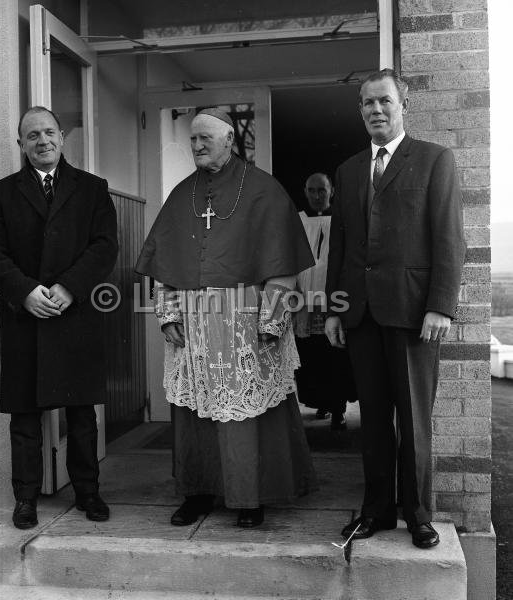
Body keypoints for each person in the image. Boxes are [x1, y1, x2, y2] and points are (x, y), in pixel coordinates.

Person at [136, 107, 316, 528]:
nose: (196, 145)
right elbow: (165, 265)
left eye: (205, 139)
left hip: (244, 324)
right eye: (193, 139)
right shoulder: (182, 194)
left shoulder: (263, 191)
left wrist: (271, 321)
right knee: (193, 411)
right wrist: (167, 314)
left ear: (229, 141)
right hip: (195, 327)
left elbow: (283, 266)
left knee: (249, 412)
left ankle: (249, 497)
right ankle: (197, 493)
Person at [325, 69, 465, 549]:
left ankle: (419, 515)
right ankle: (377, 512)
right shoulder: (346, 171)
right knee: (374, 422)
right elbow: (339, 250)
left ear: (404, 104)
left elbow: (449, 239)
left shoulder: (433, 160)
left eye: (384, 101)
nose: (375, 110)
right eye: (367, 104)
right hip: (360, 315)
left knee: (414, 420)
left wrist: (440, 306)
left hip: (413, 316)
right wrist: (334, 309)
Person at [0, 106, 118, 529]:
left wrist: (68, 287)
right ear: (21, 144)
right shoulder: (0, 193)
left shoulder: (93, 189)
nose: (43, 141)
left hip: (74, 315)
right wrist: (25, 292)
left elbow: (104, 246)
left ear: (62, 137)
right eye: (32, 135)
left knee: (80, 416)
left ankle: (88, 493)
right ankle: (25, 499)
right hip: (26, 318)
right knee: (24, 418)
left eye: (49, 132)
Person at [294, 173, 356, 429]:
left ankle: (338, 408)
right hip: (306, 299)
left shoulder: (342, 221)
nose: (317, 195)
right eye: (311, 190)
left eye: (322, 190)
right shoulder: (297, 221)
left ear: (331, 191)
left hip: (334, 300)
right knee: (312, 356)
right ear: (305, 192)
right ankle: (321, 402)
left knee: (335, 356)